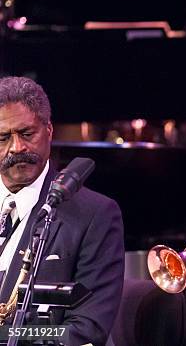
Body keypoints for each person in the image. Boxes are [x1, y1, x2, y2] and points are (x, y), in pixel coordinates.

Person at [0, 76, 124, 345]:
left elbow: (87, 329)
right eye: (3, 137)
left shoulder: (95, 214)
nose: (17, 147)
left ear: (49, 130)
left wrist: (9, 336)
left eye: (27, 134)